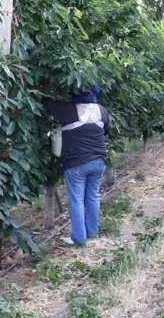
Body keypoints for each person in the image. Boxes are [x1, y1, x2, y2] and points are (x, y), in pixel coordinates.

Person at [45, 86, 111, 246]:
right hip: (99, 161)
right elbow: (107, 131)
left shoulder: (67, 110)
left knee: (77, 200)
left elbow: (46, 104)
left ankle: (80, 239)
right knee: (93, 197)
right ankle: (93, 234)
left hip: (76, 163)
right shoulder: (102, 110)